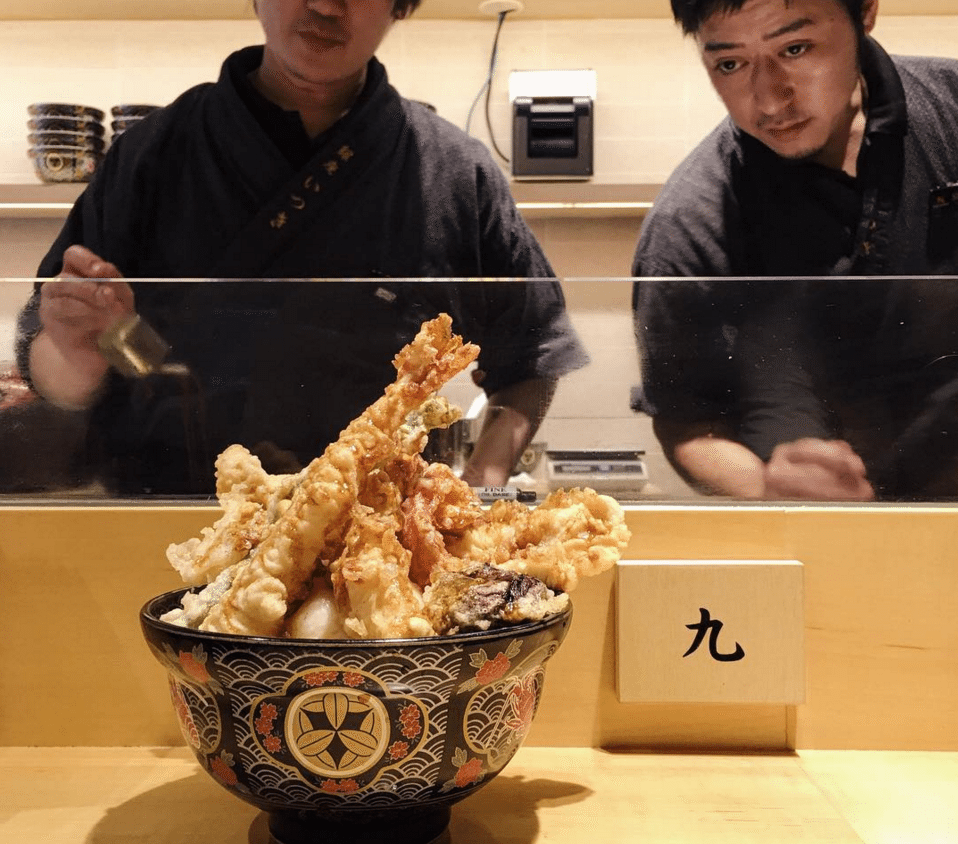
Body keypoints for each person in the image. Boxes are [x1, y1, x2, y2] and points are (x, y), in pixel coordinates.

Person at [16, 0, 587, 496]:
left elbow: (531, 358)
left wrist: (479, 487)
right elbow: (54, 363)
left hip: (379, 549)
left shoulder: (455, 174)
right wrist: (76, 353)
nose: (327, 6)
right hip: (166, 532)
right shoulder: (155, 154)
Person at [632, 0, 958, 501]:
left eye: (795, 48)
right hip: (821, 542)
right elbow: (689, 427)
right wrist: (766, 487)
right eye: (730, 64)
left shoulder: (950, 108)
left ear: (865, 13)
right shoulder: (688, 225)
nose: (767, 100)